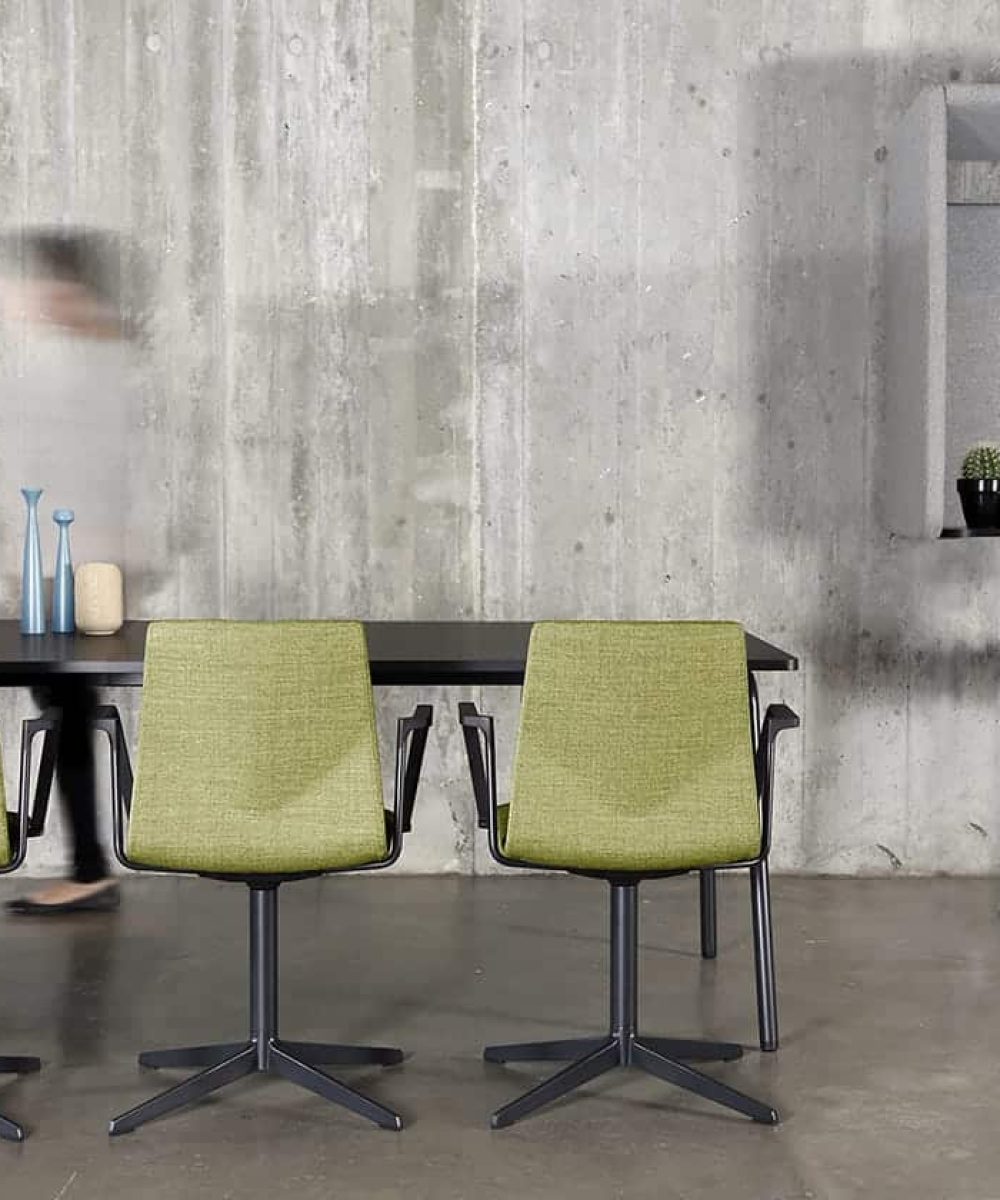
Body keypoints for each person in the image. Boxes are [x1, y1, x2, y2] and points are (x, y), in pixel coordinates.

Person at [0, 228, 133, 913]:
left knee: (68, 705)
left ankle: (89, 868)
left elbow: (88, 477)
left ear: (68, 286)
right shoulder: (89, 357)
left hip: (78, 570)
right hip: (69, 568)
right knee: (65, 708)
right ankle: (88, 864)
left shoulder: (90, 364)